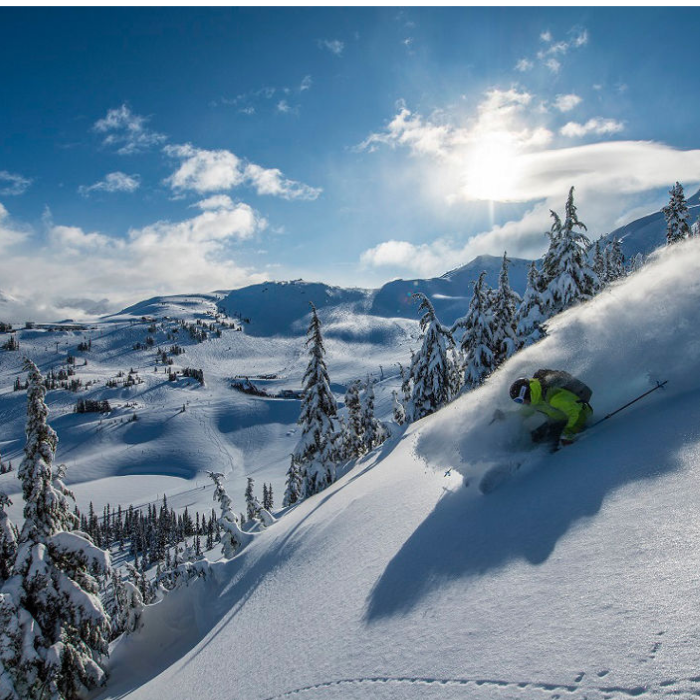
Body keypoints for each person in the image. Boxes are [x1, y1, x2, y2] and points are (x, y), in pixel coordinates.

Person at [509, 369, 593, 450]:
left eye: (520, 400)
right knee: (535, 436)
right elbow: (523, 413)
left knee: (548, 443)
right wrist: (505, 417)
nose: (521, 403)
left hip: (577, 421)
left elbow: (579, 413)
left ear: (526, 393)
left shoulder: (553, 397)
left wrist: (568, 434)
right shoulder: (535, 399)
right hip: (560, 420)